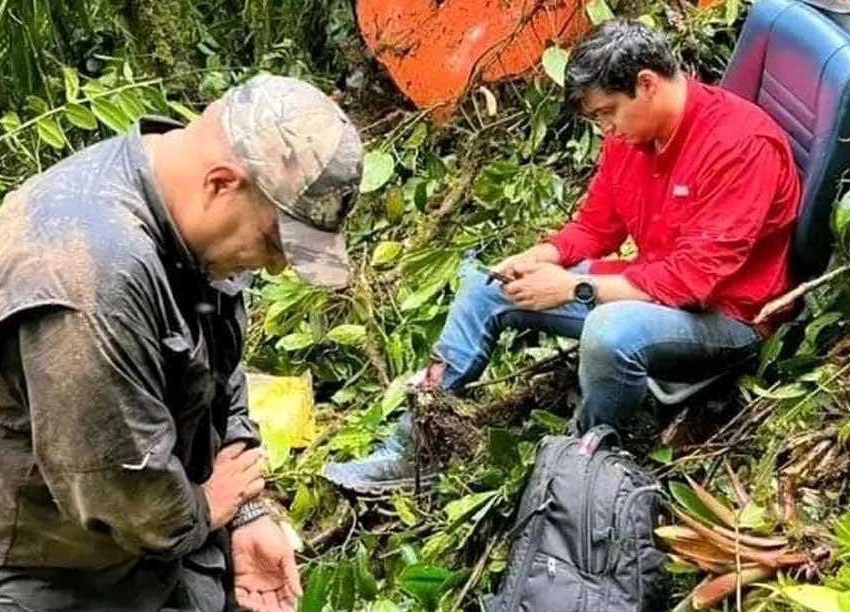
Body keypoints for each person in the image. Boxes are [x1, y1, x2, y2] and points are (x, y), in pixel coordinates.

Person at [0, 74, 363, 612]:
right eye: (275, 242)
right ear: (222, 183)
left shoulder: (181, 203)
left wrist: (244, 509)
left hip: (161, 518)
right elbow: (117, 485)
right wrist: (210, 507)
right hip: (42, 565)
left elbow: (222, 361)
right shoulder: (90, 282)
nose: (276, 265)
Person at [323, 19, 801, 494]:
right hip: (651, 281)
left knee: (610, 332)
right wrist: (541, 256)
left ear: (647, 84)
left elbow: (693, 283)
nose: (607, 129)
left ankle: (579, 464)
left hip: (727, 317)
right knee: (484, 287)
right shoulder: (629, 137)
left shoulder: (740, 147)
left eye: (609, 112)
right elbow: (596, 225)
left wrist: (574, 287)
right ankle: (408, 449)